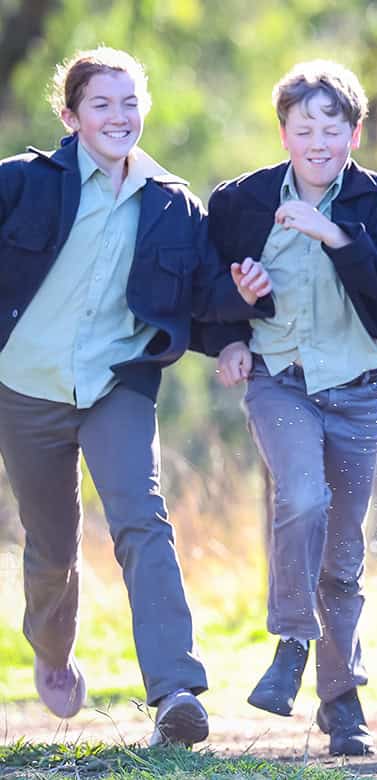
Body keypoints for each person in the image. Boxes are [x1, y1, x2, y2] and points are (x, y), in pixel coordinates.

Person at [0, 47, 272, 746]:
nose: (118, 116)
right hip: (25, 386)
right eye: (101, 104)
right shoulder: (23, 183)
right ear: (71, 117)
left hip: (116, 383)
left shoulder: (172, 203)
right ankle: (52, 650)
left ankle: (176, 692)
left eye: (129, 103)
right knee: (52, 548)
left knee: (142, 522)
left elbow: (203, 295)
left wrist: (240, 306)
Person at [198, 61, 377, 757]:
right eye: (304, 128)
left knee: (343, 557)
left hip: (355, 392)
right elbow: (210, 288)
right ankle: (292, 639)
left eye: (332, 127)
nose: (318, 141)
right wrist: (232, 333)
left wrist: (334, 234)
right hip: (279, 381)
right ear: (284, 133)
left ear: (355, 133)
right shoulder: (243, 201)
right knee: (300, 495)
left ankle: (342, 702)